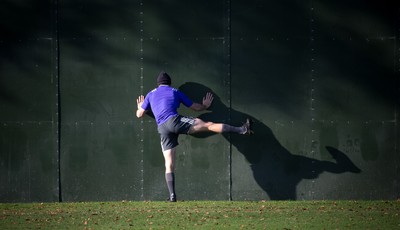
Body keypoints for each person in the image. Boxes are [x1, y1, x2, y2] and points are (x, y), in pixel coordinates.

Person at [136, 72, 252, 202]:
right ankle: (242, 129)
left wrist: (140, 107)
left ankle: (172, 196)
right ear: (169, 83)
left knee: (169, 164)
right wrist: (205, 106)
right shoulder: (175, 91)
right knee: (209, 125)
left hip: (162, 128)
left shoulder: (151, 94)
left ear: (158, 83)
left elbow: (139, 114)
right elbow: (195, 107)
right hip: (175, 122)